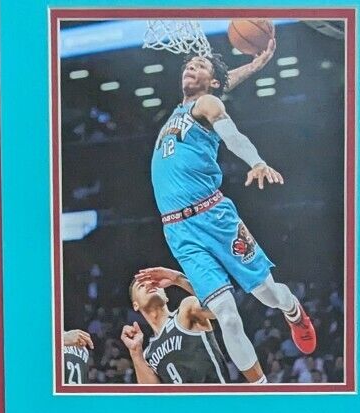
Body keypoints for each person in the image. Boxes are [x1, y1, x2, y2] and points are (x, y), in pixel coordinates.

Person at [148, 44, 316, 384]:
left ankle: (292, 309)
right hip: (178, 231)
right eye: (189, 64)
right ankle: (261, 389)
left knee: (266, 294)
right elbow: (224, 79)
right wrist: (253, 65)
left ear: (212, 83)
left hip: (214, 217)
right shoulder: (178, 110)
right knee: (225, 313)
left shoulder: (206, 104)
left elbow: (232, 135)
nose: (191, 67)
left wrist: (256, 161)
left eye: (200, 65)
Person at [122, 270, 229, 384]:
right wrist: (135, 352)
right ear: (135, 305)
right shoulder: (148, 354)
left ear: (166, 296)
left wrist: (178, 279)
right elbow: (152, 392)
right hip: (182, 396)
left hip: (216, 394)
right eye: (141, 285)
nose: (149, 284)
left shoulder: (186, 310)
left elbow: (220, 307)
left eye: (153, 282)